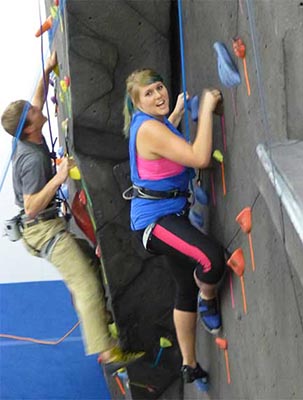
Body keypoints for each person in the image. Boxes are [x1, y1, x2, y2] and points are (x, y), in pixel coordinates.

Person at [1, 52, 143, 371]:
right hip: (43, 231)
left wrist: (47, 71)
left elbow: (35, 102)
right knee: (85, 284)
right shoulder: (32, 160)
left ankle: (103, 323)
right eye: (34, 112)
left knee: (91, 262)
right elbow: (31, 205)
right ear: (29, 128)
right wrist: (60, 177)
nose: (39, 109)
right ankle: (107, 354)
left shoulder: (28, 136)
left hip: (44, 228)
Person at [123, 68, 225, 385]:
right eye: (149, 94)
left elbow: (163, 148)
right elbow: (199, 157)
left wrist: (176, 115)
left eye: (159, 87)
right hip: (156, 224)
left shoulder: (154, 123)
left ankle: (189, 364)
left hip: (169, 216)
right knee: (211, 260)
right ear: (137, 103)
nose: (159, 95)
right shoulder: (149, 129)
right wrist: (206, 108)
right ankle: (208, 297)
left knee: (184, 288)